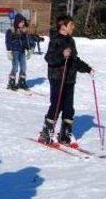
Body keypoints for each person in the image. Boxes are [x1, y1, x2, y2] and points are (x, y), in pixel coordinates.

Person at [38, 15, 93, 145]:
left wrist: (87, 68)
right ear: (63, 26)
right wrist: (62, 55)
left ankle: (65, 134)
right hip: (57, 77)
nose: (73, 27)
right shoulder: (55, 40)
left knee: (69, 107)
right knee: (57, 104)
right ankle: (46, 132)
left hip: (69, 78)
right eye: (71, 25)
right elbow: (49, 58)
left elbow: (74, 60)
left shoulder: (71, 41)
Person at [5, 13, 32, 90]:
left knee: (23, 67)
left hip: (22, 51)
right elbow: (8, 41)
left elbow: (26, 41)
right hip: (15, 51)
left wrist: (29, 49)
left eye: (23, 22)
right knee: (15, 67)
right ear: (17, 22)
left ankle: (22, 81)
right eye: (21, 22)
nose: (23, 23)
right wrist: (9, 51)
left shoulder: (23, 31)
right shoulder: (11, 30)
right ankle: (12, 81)